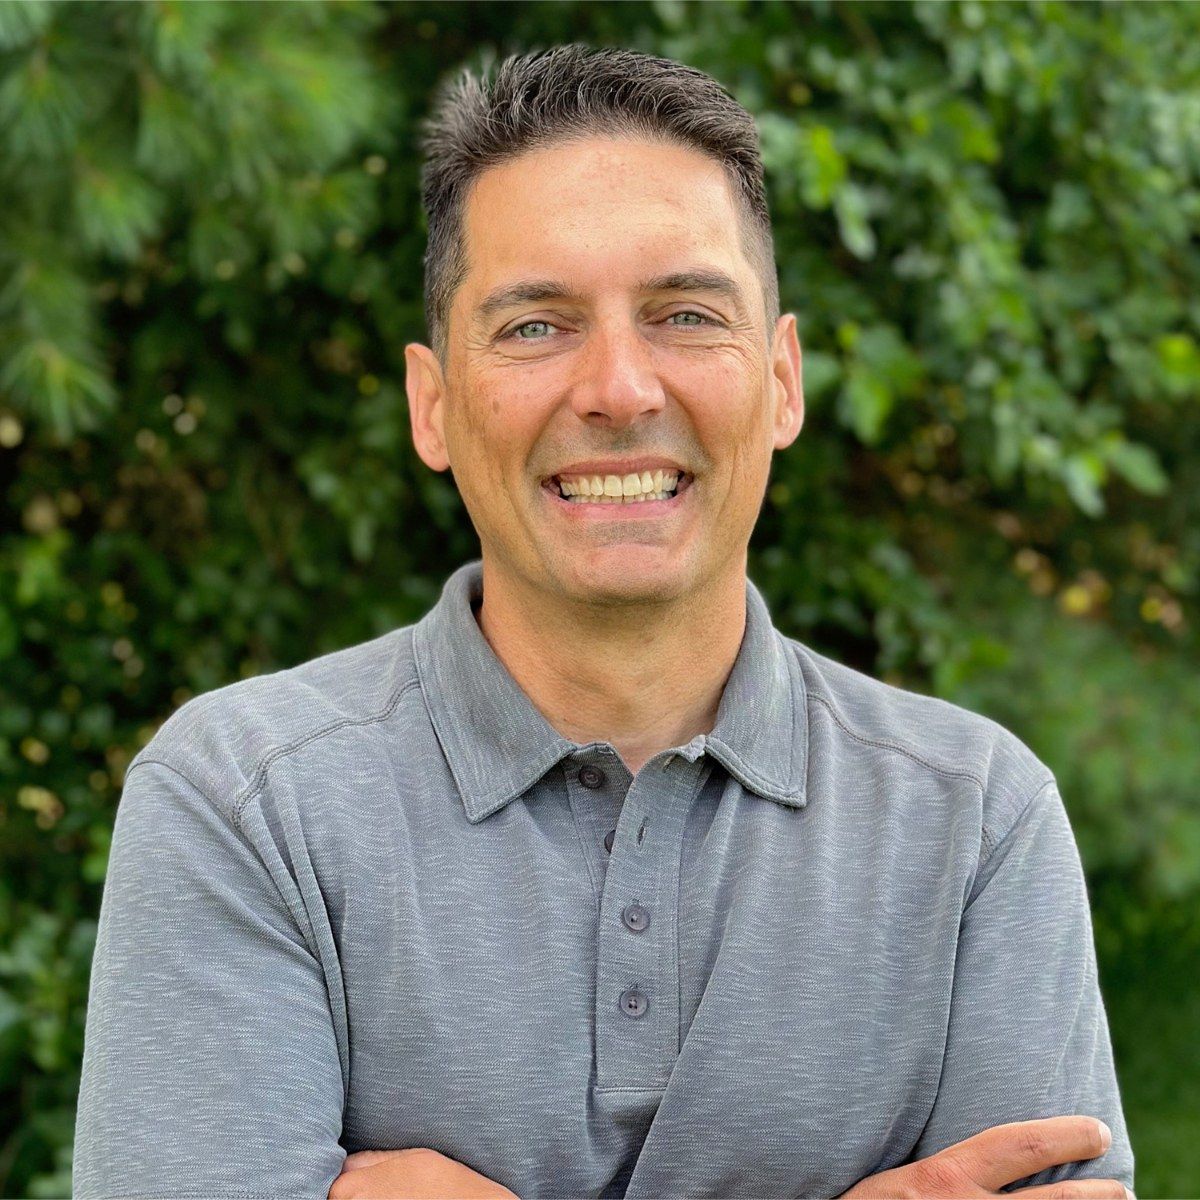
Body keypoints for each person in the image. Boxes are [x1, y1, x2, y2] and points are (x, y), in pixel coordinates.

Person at [72, 44, 1135, 1200]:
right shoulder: (245, 803)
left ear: (782, 382)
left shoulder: (977, 822)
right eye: (535, 326)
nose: (621, 389)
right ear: (433, 405)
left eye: (685, 313)